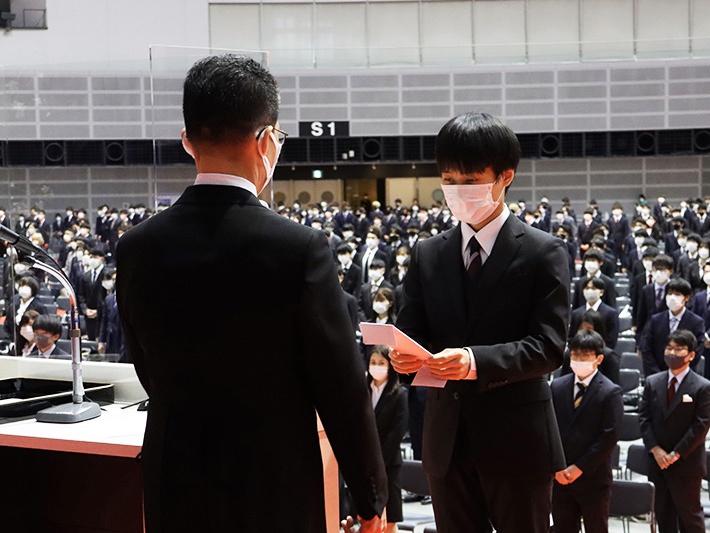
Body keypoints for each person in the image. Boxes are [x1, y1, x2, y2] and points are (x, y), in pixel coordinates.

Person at [116, 54, 387, 533]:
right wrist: (370, 500)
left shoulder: (136, 247)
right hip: (271, 486)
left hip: (175, 478)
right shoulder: (299, 248)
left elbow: (145, 365)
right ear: (266, 141)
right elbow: (341, 388)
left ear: (187, 141)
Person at [391, 112, 570, 532]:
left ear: (504, 176)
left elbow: (548, 346)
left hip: (517, 440)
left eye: (470, 180)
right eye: (448, 180)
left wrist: (474, 360)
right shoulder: (428, 253)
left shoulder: (543, 251)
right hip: (446, 442)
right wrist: (404, 359)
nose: (457, 190)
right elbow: (411, 331)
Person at [551, 330, 623, 533]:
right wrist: (558, 466)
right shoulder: (557, 387)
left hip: (593, 479)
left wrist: (579, 468)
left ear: (599, 358)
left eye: (585, 356)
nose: (578, 360)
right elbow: (550, 428)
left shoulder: (610, 391)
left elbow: (609, 436)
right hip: (560, 477)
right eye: (575, 356)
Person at [639, 329, 710, 533]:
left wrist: (676, 453)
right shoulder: (653, 382)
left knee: (690, 517)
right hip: (658, 462)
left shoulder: (702, 386)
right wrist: (656, 449)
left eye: (679, 349)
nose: (672, 353)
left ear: (691, 355)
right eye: (669, 348)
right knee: (664, 516)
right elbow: (644, 418)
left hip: (686, 463)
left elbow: (701, 425)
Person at [367, 346, 408, 533]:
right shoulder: (362, 393)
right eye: (373, 362)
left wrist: (378, 461)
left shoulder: (399, 394)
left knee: (390, 519)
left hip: (389, 464)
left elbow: (396, 433)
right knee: (367, 518)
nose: (376, 366)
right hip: (365, 467)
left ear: (390, 367)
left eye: (381, 363)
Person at [639, 277, 705, 378]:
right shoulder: (656, 320)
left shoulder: (696, 322)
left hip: (684, 377)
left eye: (677, 294)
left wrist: (679, 372)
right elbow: (647, 348)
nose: (672, 297)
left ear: (686, 297)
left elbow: (696, 352)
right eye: (669, 294)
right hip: (656, 376)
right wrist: (657, 374)